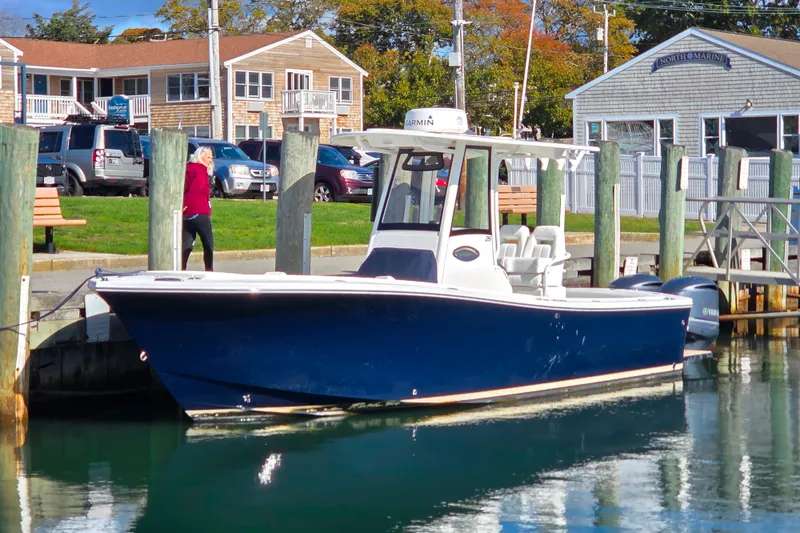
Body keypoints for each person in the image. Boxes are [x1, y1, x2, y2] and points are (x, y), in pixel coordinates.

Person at [182, 146, 214, 271]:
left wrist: (184, 204)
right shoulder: (201, 169)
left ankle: (181, 268)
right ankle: (209, 270)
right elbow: (198, 187)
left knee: (187, 244)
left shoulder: (187, 168)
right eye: (208, 157)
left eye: (211, 157)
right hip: (199, 210)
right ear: (200, 157)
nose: (210, 160)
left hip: (186, 212)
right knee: (208, 243)